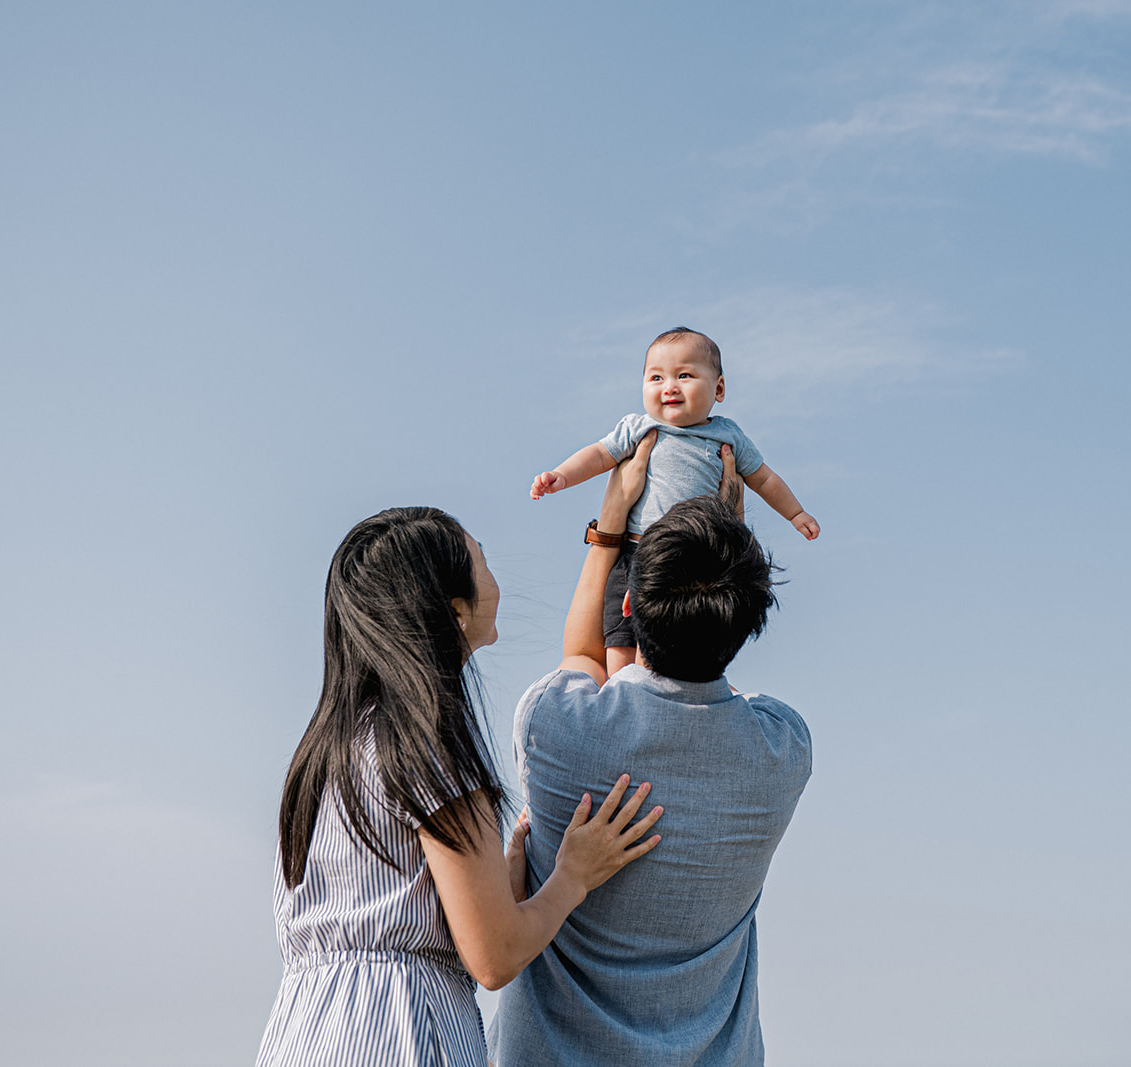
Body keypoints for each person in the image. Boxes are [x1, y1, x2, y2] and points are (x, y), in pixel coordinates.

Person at [254, 500, 664, 1067]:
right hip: (402, 1030)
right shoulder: (428, 745)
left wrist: (504, 888)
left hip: (304, 1029)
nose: (495, 576)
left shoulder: (329, 750)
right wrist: (573, 875)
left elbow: (392, 904)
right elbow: (494, 959)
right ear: (454, 613)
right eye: (482, 558)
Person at [491, 443, 814, 1066]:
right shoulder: (783, 749)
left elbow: (582, 656)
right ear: (748, 622)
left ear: (630, 607)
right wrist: (728, 546)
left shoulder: (554, 728)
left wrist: (610, 526)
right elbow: (723, 671)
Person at [528, 326, 820, 675]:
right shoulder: (638, 427)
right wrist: (562, 476)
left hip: (695, 558)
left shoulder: (727, 435)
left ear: (719, 388)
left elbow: (764, 478)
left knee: (683, 640)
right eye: (655, 377)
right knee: (619, 638)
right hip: (636, 550)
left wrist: (795, 513)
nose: (669, 386)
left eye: (684, 375)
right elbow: (598, 454)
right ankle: (623, 689)